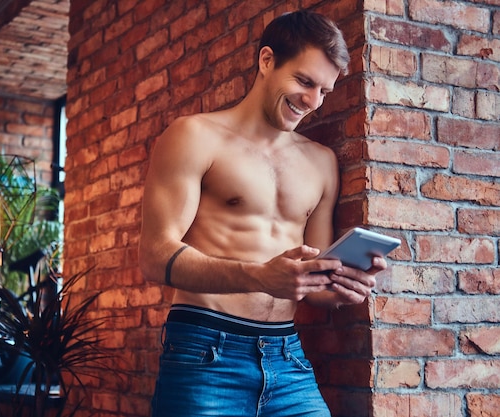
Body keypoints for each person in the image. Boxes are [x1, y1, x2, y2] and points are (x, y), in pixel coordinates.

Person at [138, 10, 387, 417]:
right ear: (267, 60)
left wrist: (345, 287)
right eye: (304, 81)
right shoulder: (194, 136)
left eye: (324, 90)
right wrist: (257, 275)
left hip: (287, 358)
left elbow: (315, 281)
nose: (312, 102)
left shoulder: (322, 162)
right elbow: (153, 254)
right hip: (205, 352)